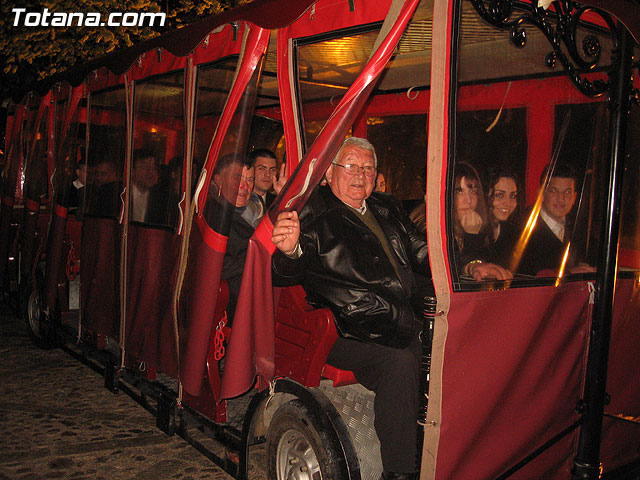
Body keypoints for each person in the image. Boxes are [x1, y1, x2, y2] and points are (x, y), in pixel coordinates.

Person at [271, 137, 429, 479]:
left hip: (397, 318)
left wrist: (470, 265)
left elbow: (422, 251)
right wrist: (291, 250)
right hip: (345, 329)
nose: (361, 174)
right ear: (329, 172)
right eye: (352, 166)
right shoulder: (313, 209)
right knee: (400, 362)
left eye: (368, 167)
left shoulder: (387, 207)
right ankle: (400, 473)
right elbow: (283, 272)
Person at [517, 164, 595, 276]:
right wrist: (569, 273)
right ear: (541, 194)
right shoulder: (522, 229)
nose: (561, 199)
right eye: (553, 191)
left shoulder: (579, 227)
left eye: (567, 192)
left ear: (575, 197)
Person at [214, 154, 256, 323]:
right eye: (237, 178)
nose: (245, 186)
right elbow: (216, 267)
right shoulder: (215, 217)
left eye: (250, 179)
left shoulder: (263, 212)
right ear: (218, 180)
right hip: (231, 314)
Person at [483, 168, 520, 268]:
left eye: (513, 196)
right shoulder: (473, 229)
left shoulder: (512, 232)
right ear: (485, 195)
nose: (508, 203)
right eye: (499, 195)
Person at [130, 148, 159, 222]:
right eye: (144, 167)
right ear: (132, 171)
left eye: (153, 167)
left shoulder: (160, 198)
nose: (150, 172)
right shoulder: (120, 194)